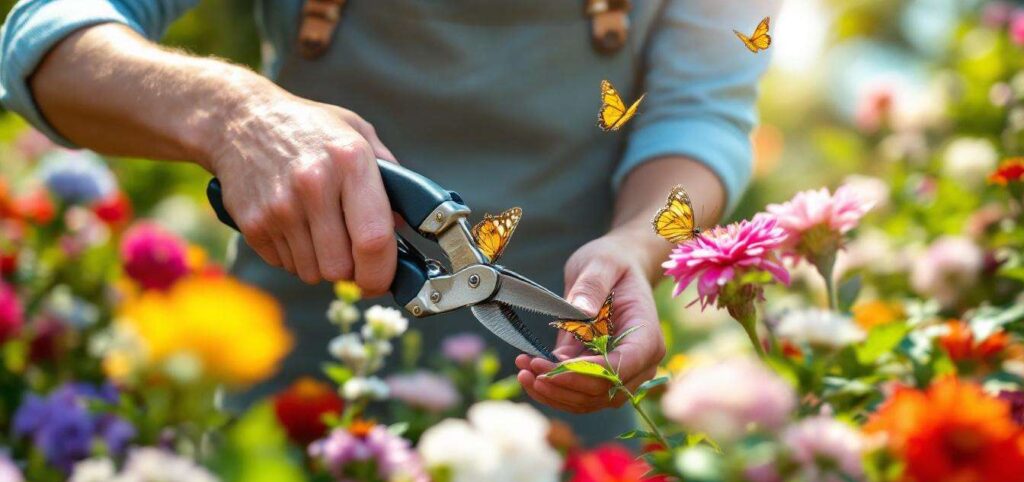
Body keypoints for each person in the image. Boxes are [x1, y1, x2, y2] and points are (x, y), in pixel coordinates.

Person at [0, 0, 779, 445]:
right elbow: (46, 41)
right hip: (297, 417)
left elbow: (699, 119)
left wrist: (636, 246)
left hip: (575, 447)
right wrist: (236, 115)